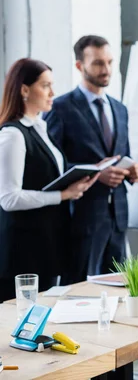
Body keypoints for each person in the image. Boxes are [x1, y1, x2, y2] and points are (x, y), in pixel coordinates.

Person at [44, 35, 138, 282]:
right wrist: (97, 175)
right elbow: (50, 165)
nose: (107, 69)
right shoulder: (60, 108)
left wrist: (134, 171)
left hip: (118, 219)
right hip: (81, 221)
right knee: (79, 293)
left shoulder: (120, 108)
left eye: (110, 62)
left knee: (119, 293)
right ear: (80, 66)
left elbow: (124, 153)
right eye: (99, 63)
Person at [0, 58, 98, 302]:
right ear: (24, 89)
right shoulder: (13, 134)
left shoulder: (40, 128)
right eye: (45, 85)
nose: (52, 92)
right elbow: (9, 198)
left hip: (46, 241)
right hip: (22, 248)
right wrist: (63, 195)